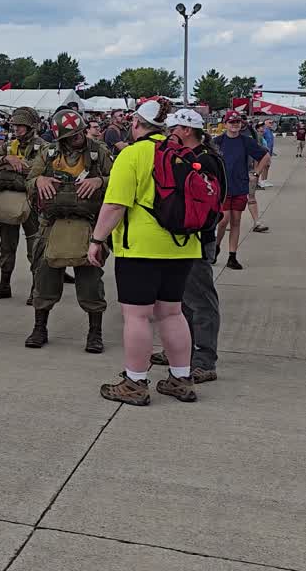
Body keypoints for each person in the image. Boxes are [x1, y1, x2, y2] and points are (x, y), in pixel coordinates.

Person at [86, 99, 199, 406]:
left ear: (136, 123)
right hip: (182, 245)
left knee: (137, 316)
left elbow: (114, 206)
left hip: (141, 248)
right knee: (172, 313)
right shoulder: (183, 153)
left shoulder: (132, 154)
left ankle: (135, 382)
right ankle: (181, 378)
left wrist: (97, 239)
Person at [26, 108, 112, 352]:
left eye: (80, 133)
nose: (78, 138)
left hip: (87, 224)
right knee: (44, 275)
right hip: (52, 224)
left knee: (90, 280)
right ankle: (39, 327)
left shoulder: (98, 152)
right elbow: (29, 181)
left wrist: (100, 181)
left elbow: (118, 180)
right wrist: (39, 180)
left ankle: (95, 332)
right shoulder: (49, 153)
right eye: (72, 135)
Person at [150, 109, 227, 383]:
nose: (170, 133)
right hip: (184, 239)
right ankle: (179, 350)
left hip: (196, 239)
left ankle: (204, 360)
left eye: (174, 128)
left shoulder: (204, 160)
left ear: (186, 130)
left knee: (200, 301)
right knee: (179, 300)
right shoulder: (198, 156)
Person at [0, 107, 46, 302]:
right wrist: (7, 159)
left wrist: (13, 168)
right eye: (15, 125)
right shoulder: (10, 146)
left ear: (31, 127)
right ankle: (4, 285)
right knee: (6, 247)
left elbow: (38, 170)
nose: (16, 129)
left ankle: (37, 288)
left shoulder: (43, 146)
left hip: (33, 204)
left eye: (21, 126)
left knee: (34, 247)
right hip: (10, 201)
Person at [214, 111, 271, 269]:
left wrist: (256, 173)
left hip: (240, 185)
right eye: (231, 122)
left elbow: (265, 156)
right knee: (223, 220)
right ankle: (216, 246)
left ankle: (232, 255)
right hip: (223, 188)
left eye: (237, 122)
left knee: (236, 221)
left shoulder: (246, 141)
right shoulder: (217, 142)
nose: (234, 125)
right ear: (225, 124)